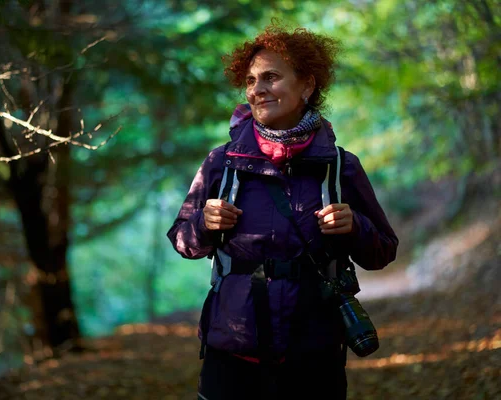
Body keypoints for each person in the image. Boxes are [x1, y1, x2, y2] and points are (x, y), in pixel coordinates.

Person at [167, 24, 398, 400]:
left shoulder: (340, 166)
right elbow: (182, 241)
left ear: (307, 85)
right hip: (232, 350)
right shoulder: (222, 163)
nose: (257, 89)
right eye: (251, 80)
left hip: (313, 353)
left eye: (271, 77)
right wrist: (202, 223)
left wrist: (355, 225)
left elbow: (383, 250)